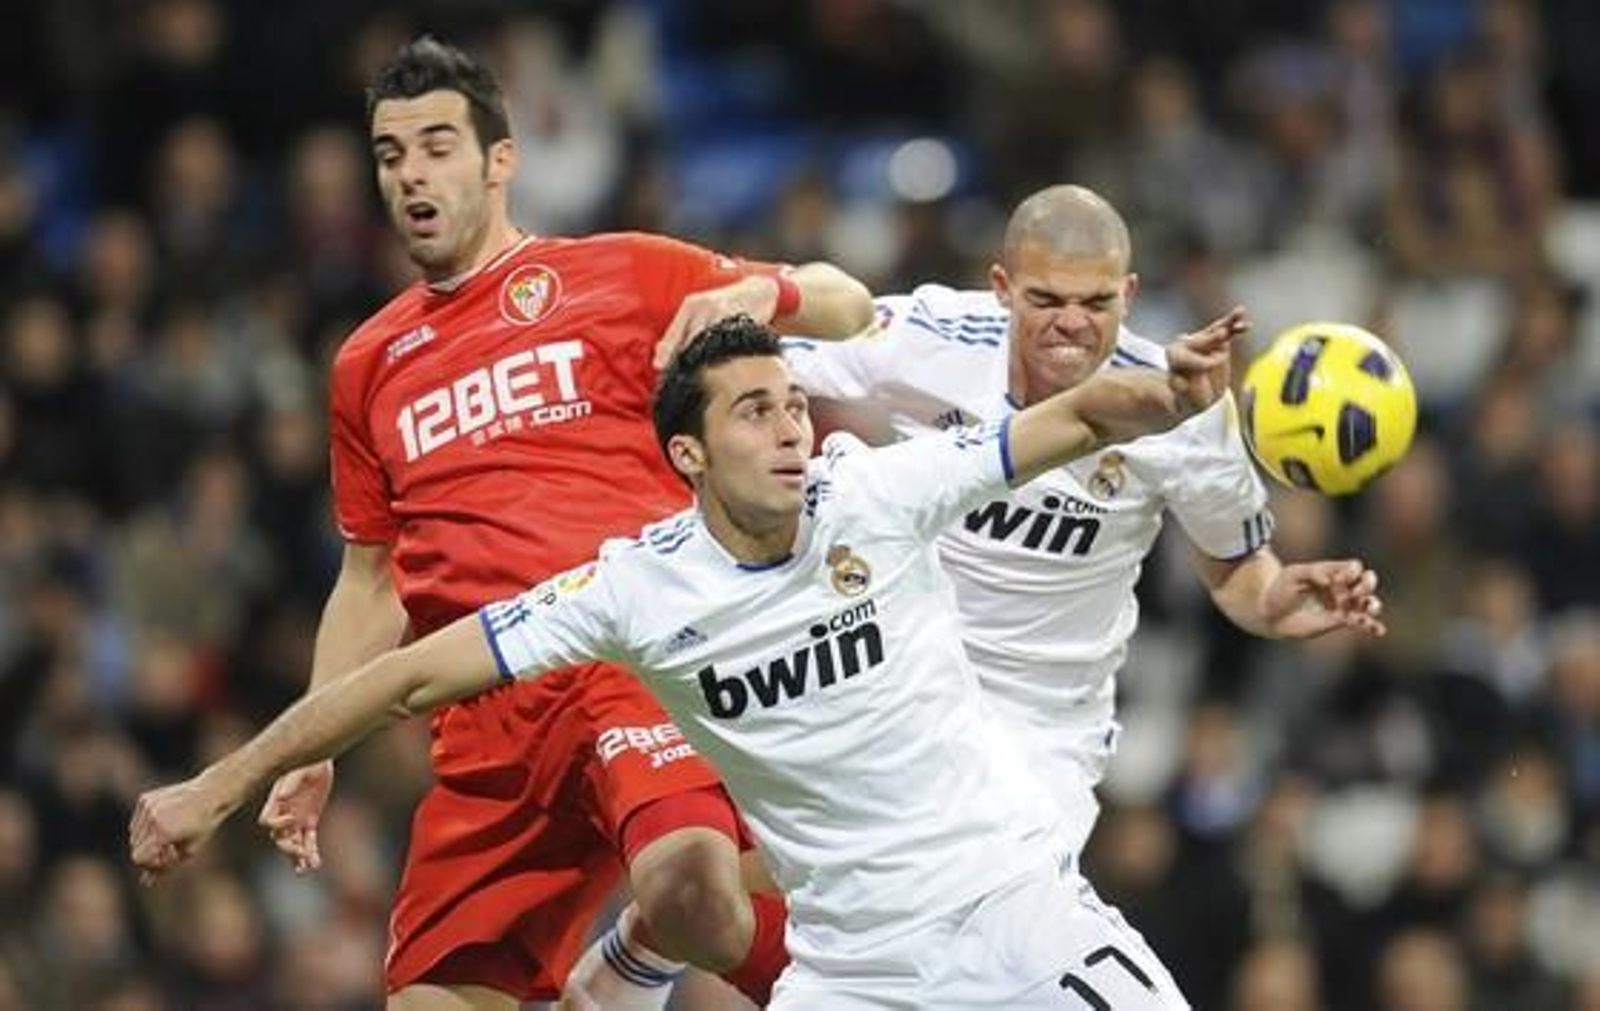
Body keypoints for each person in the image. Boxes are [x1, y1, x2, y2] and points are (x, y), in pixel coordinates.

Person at [131, 313, 1311, 1007]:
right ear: (688, 456)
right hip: (849, 971)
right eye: (755, 410)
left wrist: (1166, 393)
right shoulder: (636, 588)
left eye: (794, 403)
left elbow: (1074, 421)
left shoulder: (881, 493)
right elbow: (404, 677)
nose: (792, 425)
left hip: (1013, 905)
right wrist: (217, 785)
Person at [255, 36, 874, 1010]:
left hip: (631, 663)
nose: (411, 172)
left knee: (694, 894)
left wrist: (768, 291)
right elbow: (370, 580)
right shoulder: (366, 365)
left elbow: (850, 306)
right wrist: (313, 746)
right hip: (492, 735)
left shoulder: (619, 274)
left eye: (436, 145)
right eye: (389, 154)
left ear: (500, 160)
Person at [784, 184, 1387, 858]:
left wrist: (1279, 602)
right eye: (1045, 299)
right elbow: (771, 348)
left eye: (1096, 302)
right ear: (1002, 287)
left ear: (1128, 295)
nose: (1071, 322)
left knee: (989, 910)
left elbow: (1238, 570)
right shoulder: (930, 333)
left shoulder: (1183, 409)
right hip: (892, 677)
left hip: (1041, 727)